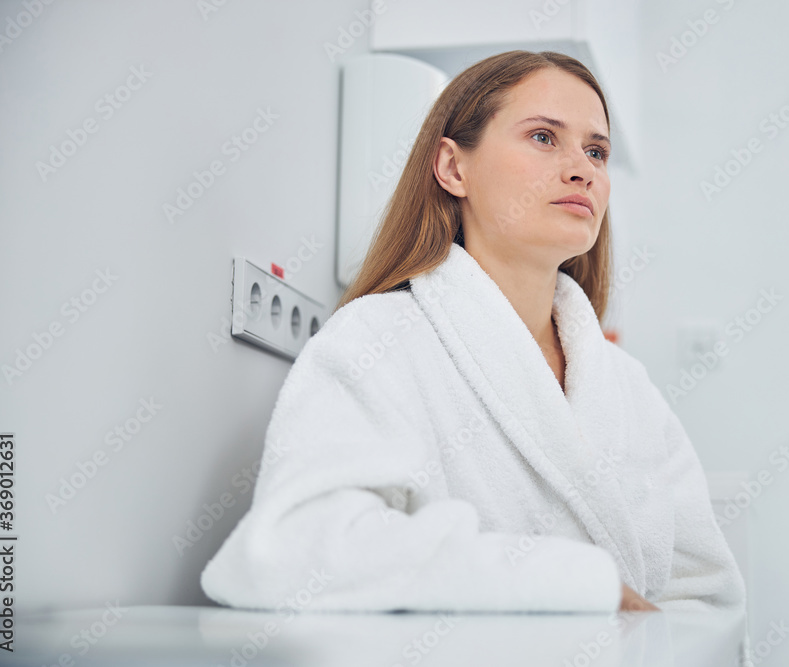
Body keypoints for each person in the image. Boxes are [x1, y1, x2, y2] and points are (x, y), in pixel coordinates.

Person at [200, 50, 746, 616]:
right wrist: (574, 586)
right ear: (453, 168)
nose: (582, 168)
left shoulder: (629, 389)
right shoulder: (378, 339)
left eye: (596, 150)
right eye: (542, 137)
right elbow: (293, 550)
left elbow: (707, 599)